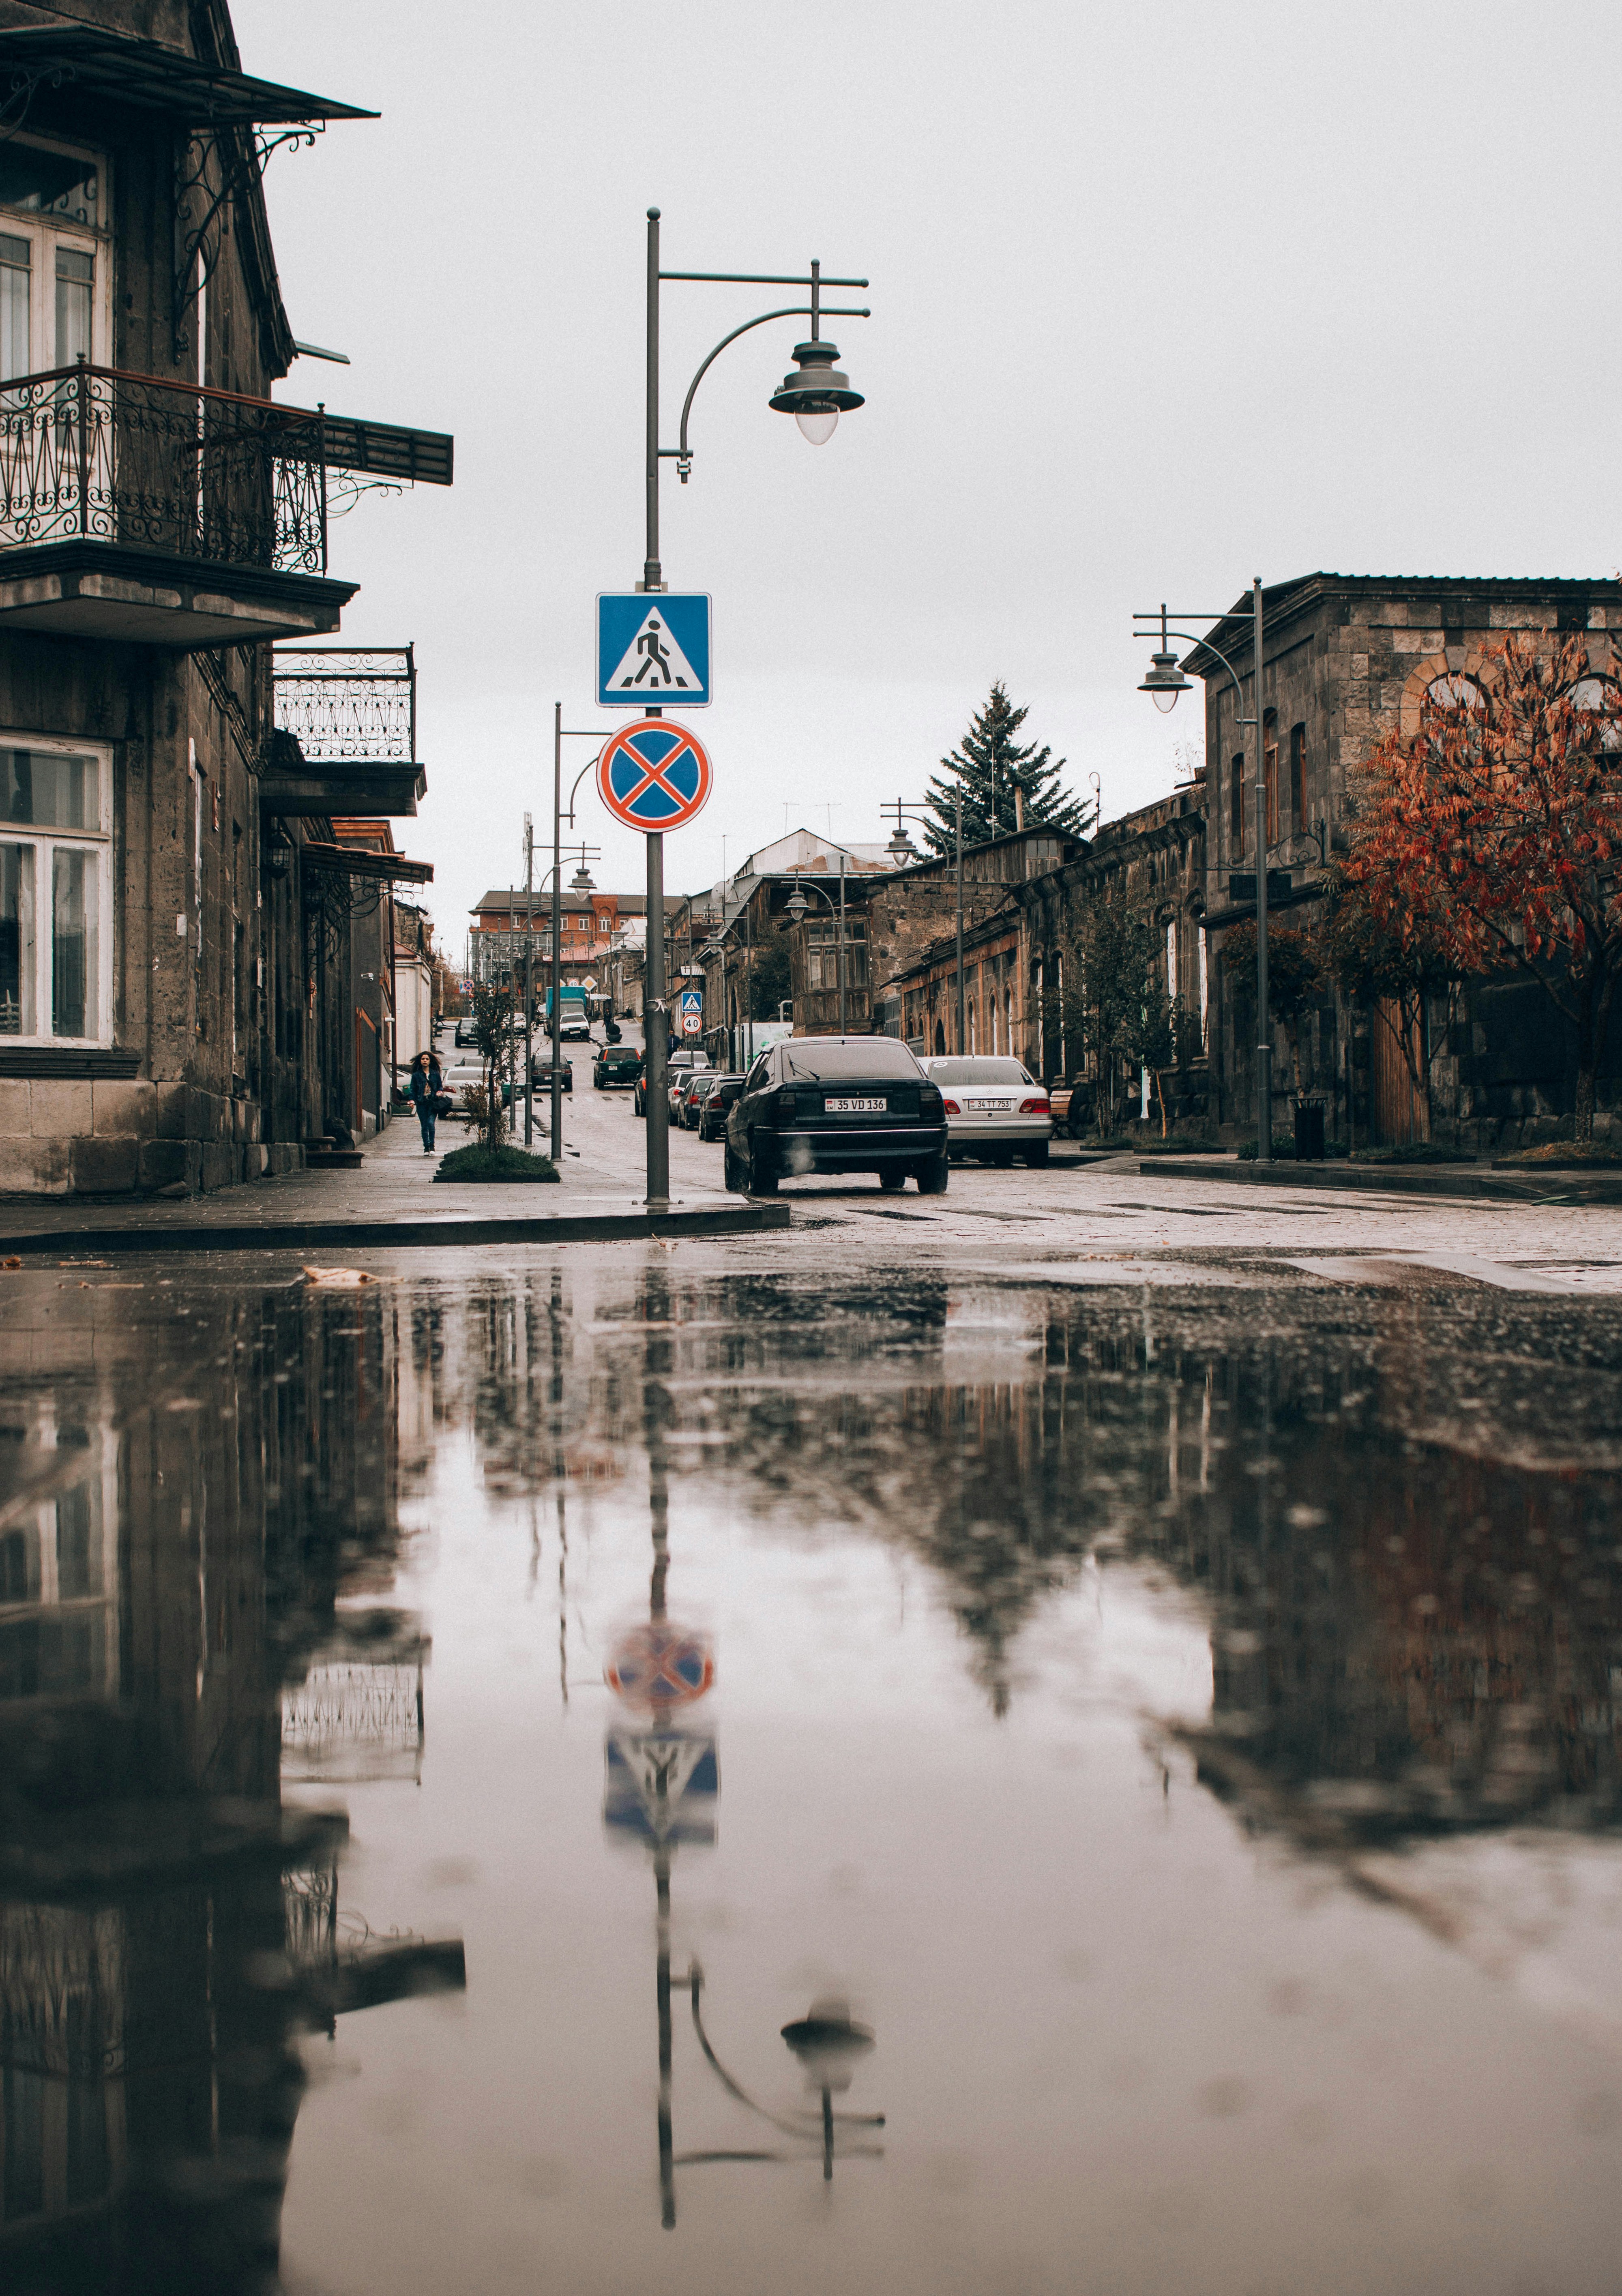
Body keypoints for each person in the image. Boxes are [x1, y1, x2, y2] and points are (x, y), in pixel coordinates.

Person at [408, 1047, 443, 1154]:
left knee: (431, 1124)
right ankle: (426, 1147)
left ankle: (432, 1146)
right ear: (420, 1061)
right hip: (421, 1103)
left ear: (430, 1061)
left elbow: (440, 1087)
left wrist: (439, 1092)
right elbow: (413, 1089)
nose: (425, 1061)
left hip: (433, 1103)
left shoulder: (435, 1074)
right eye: (423, 1059)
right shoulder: (416, 1075)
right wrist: (412, 1101)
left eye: (427, 1059)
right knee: (424, 1125)